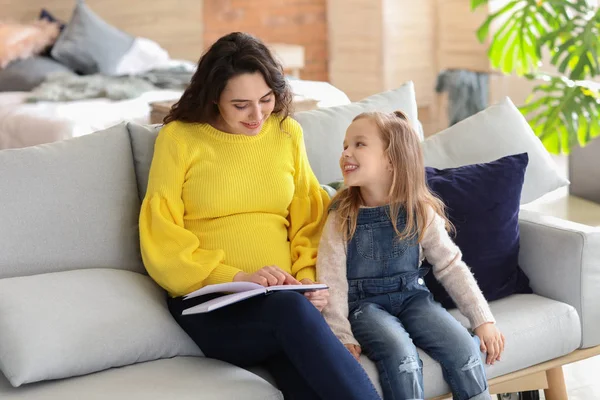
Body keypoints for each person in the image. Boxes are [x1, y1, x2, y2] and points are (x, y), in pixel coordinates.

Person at [139, 32, 381, 400]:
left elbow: (309, 219)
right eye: (241, 105)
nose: (257, 116)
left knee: (308, 374)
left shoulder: (286, 133)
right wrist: (240, 278)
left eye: (266, 100)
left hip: (284, 305)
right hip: (210, 306)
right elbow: (162, 235)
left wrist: (308, 281)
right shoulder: (180, 139)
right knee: (289, 312)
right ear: (213, 98)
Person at [317, 110, 505, 400]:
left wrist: (482, 319)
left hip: (413, 299)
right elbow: (331, 280)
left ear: (392, 160)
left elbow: (450, 265)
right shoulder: (341, 216)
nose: (346, 153)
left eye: (359, 144)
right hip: (365, 308)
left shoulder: (420, 211)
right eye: (345, 145)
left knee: (466, 350)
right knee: (401, 357)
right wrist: (341, 334)